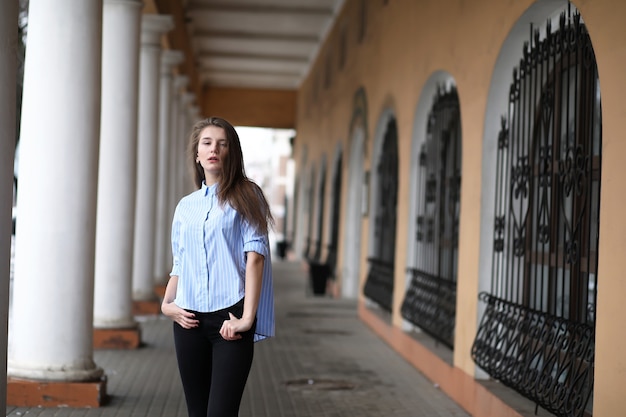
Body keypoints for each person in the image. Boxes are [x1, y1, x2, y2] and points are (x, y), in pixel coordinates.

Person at [161, 116, 275, 417]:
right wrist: (166, 304)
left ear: (231, 153)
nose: (214, 149)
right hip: (188, 322)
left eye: (222, 144)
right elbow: (180, 263)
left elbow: (256, 257)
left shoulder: (248, 196)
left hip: (231, 320)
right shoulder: (186, 206)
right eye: (207, 143)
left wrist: (246, 318)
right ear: (197, 155)